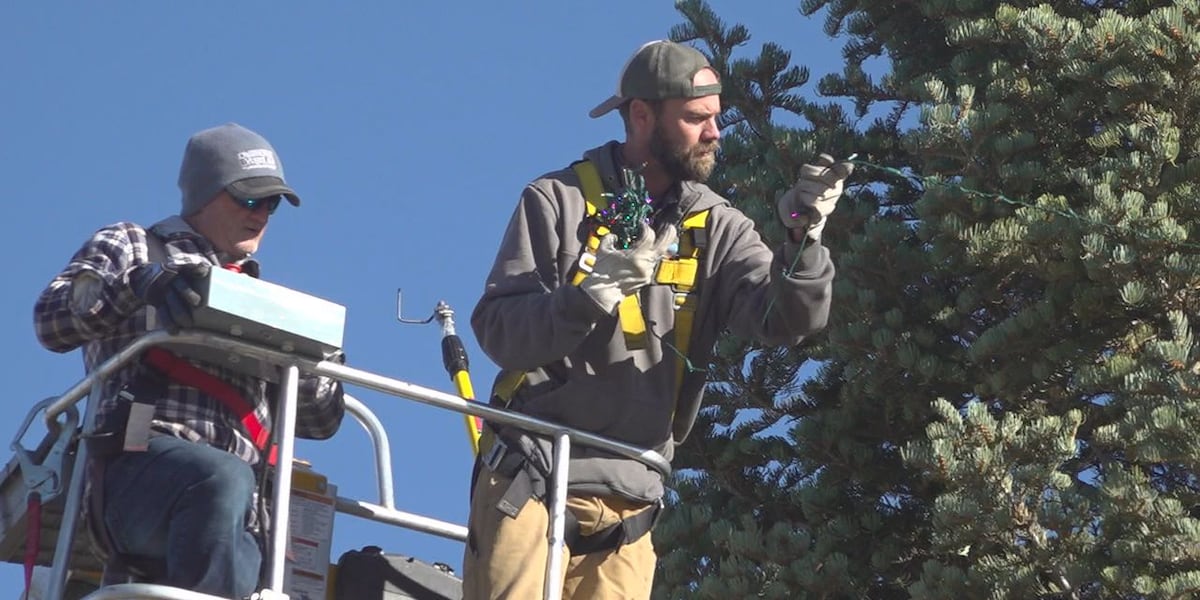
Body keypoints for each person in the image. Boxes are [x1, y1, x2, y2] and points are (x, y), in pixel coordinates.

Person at [464, 39, 854, 599]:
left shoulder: (717, 227)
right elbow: (499, 330)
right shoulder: (559, 201)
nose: (714, 133)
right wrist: (589, 295)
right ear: (642, 116)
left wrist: (803, 238)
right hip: (532, 471)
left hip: (632, 499)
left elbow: (786, 319)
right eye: (697, 119)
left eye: (717, 119)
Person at [33, 123, 346, 597]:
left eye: (272, 203)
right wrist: (140, 283)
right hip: (140, 472)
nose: (262, 214)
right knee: (221, 477)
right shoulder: (134, 245)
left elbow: (323, 422)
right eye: (249, 200)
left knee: (240, 507)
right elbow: (51, 321)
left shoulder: (265, 301)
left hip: (244, 515)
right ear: (206, 192)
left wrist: (311, 352)